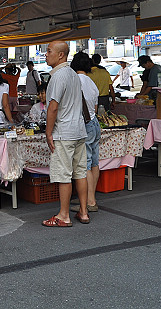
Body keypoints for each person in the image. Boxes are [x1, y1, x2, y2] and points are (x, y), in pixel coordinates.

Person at [42, 41, 89, 227]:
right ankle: (84, 212)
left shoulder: (58, 77)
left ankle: (64, 215)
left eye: (48, 51)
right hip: (78, 131)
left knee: (64, 175)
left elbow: (53, 108)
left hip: (64, 132)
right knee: (80, 172)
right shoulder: (73, 75)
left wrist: (48, 132)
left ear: (61, 55)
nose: (46, 54)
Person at [70, 52, 101, 216]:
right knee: (94, 162)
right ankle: (91, 197)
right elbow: (94, 108)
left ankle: (90, 201)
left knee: (85, 163)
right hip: (95, 123)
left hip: (85, 125)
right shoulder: (90, 81)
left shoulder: (75, 81)